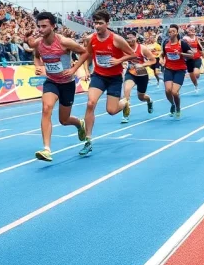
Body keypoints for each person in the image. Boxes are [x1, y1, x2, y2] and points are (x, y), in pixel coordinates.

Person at [32, 12, 89, 162]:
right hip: (51, 81)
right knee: (46, 108)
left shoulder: (64, 42)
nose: (40, 29)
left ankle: (79, 123)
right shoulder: (39, 43)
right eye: (39, 26)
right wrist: (38, 67)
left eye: (44, 26)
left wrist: (74, 69)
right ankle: (46, 149)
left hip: (67, 83)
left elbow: (84, 52)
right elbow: (36, 56)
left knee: (64, 120)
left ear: (53, 26)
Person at [81, 10, 135, 156]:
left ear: (107, 24)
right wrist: (86, 69)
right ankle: (88, 140)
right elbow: (88, 55)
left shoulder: (116, 39)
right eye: (95, 23)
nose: (97, 26)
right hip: (98, 75)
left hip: (114, 78)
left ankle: (125, 103)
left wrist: (119, 60)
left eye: (100, 23)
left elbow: (132, 54)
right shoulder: (91, 39)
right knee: (90, 103)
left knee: (111, 111)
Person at [121, 31, 156, 123]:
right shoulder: (125, 48)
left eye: (131, 37)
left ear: (136, 37)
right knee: (126, 91)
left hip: (141, 73)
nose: (129, 40)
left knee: (141, 97)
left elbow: (153, 60)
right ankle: (125, 115)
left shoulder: (142, 48)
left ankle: (149, 101)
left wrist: (143, 65)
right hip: (131, 72)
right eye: (127, 38)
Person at [162, 24, 190, 118]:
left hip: (180, 70)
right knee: (167, 90)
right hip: (168, 69)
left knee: (174, 92)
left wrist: (181, 53)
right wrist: (161, 59)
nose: (171, 33)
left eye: (173, 31)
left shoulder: (182, 43)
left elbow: (192, 55)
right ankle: (172, 104)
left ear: (177, 32)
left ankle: (178, 107)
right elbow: (163, 54)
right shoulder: (165, 42)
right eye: (170, 31)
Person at [182, 25, 204, 93]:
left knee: (196, 73)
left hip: (197, 58)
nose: (191, 30)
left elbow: (201, 48)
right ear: (187, 32)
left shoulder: (197, 38)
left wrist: (203, 53)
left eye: (193, 29)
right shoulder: (185, 39)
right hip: (189, 59)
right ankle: (196, 85)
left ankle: (196, 78)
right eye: (190, 29)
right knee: (192, 76)